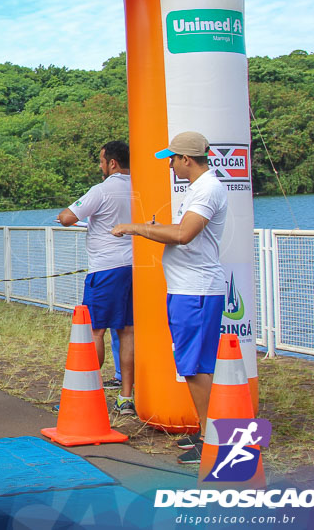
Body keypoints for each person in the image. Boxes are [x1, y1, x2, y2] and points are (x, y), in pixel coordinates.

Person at [112, 131, 227, 465]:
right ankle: (207, 431)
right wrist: (154, 227)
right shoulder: (201, 188)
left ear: (186, 159)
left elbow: (182, 234)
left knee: (194, 366)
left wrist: (136, 228)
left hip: (197, 290)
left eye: (173, 160)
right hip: (189, 289)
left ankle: (210, 439)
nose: (171, 166)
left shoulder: (206, 190)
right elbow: (181, 232)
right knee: (195, 364)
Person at [58, 140, 135, 416]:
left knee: (95, 331)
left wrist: (67, 215)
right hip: (133, 267)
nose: (100, 166)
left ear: (112, 163)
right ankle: (126, 397)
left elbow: (67, 217)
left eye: (101, 161)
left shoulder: (101, 190)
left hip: (105, 269)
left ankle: (89, 393)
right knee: (127, 331)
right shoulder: (139, 186)